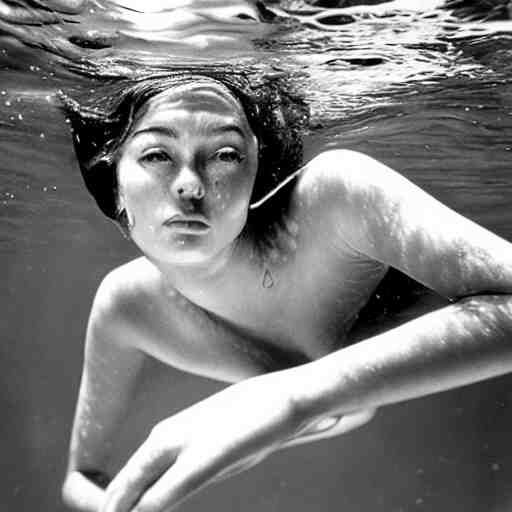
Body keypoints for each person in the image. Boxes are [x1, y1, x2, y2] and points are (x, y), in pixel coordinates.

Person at [60, 72, 512, 512]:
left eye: (225, 155)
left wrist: (291, 398)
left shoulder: (336, 197)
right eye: (157, 155)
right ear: (112, 178)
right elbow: (80, 479)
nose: (191, 186)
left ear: (257, 169)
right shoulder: (128, 305)